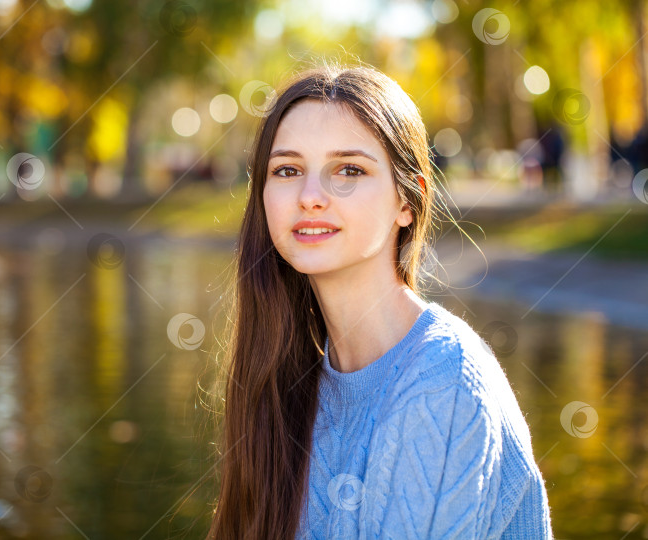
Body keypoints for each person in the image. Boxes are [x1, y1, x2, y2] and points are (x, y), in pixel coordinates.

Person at [206, 62, 553, 539]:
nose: (310, 196)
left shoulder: (443, 384)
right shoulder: (291, 383)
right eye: (287, 170)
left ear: (406, 202)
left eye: (349, 169)